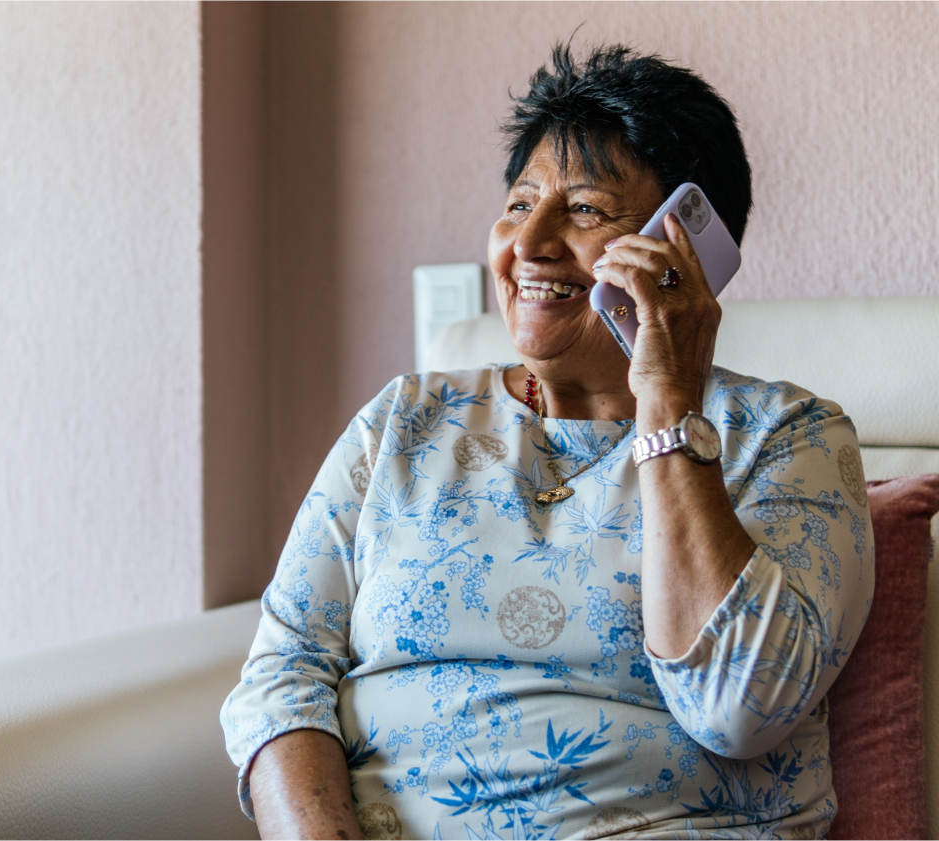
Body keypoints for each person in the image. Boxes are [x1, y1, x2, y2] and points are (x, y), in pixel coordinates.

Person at [222, 43, 872, 841]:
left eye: (586, 210)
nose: (529, 242)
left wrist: (666, 400)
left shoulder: (788, 438)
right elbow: (283, 678)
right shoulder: (403, 421)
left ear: (687, 253)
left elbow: (741, 705)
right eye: (520, 202)